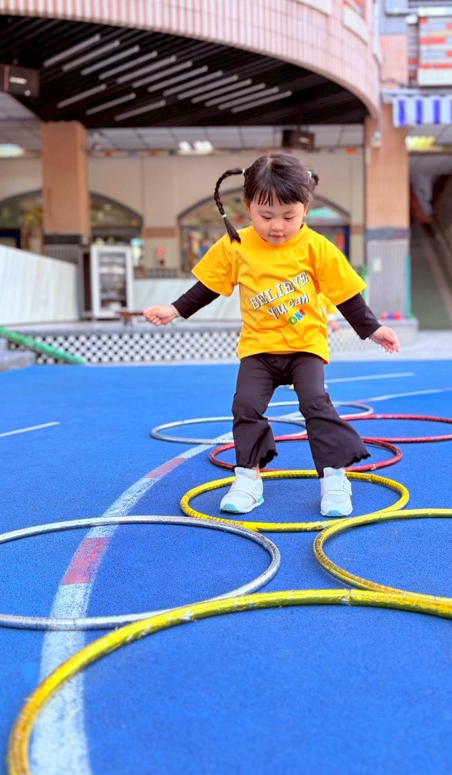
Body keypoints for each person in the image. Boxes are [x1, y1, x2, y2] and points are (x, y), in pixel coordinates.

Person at [143, 154, 399, 517]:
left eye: (288, 216)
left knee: (315, 402)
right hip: (259, 348)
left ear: (305, 208)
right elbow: (207, 287)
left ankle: (334, 478)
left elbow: (346, 295)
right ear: (247, 206)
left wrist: (374, 329)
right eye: (266, 216)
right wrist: (174, 310)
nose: (277, 226)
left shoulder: (316, 247)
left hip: (305, 347)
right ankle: (248, 478)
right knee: (245, 406)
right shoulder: (236, 245)